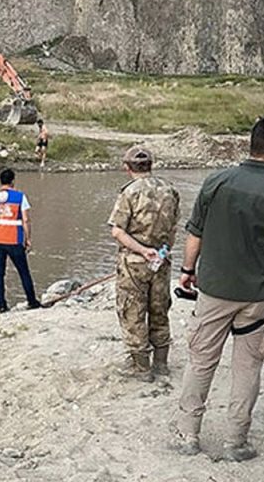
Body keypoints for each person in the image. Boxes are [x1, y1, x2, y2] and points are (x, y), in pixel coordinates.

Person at [173, 117, 264, 461]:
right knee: (248, 367)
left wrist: (188, 270)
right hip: (259, 295)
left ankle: (188, 435)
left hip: (214, 287)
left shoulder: (216, 180)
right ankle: (236, 441)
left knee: (201, 361)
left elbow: (195, 232)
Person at [107, 147, 180, 381]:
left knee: (133, 311)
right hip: (161, 261)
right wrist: (162, 251)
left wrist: (142, 250)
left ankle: (141, 368)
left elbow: (118, 231)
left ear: (127, 167)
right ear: (151, 164)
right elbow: (173, 229)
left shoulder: (129, 193)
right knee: (159, 309)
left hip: (134, 263)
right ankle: (161, 364)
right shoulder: (169, 190)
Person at [0, 168, 42, 313]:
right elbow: (26, 219)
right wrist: (28, 239)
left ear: (0, 181)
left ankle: (2, 306)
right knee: (23, 271)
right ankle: (32, 301)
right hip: (14, 240)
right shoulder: (20, 197)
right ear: (13, 181)